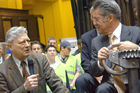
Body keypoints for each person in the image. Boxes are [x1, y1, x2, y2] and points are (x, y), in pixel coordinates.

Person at [76, 0, 140, 93]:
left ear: (110, 18)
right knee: (102, 89)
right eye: (92, 20)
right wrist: (100, 62)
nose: (94, 23)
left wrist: (136, 49)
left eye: (96, 19)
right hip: (110, 85)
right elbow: (93, 71)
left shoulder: (136, 32)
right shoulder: (96, 41)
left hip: (135, 80)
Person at [0, 26, 70, 93]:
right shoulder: (3, 70)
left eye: (28, 41)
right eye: (22, 42)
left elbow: (56, 84)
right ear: (10, 46)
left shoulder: (40, 59)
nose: (27, 45)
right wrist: (24, 88)